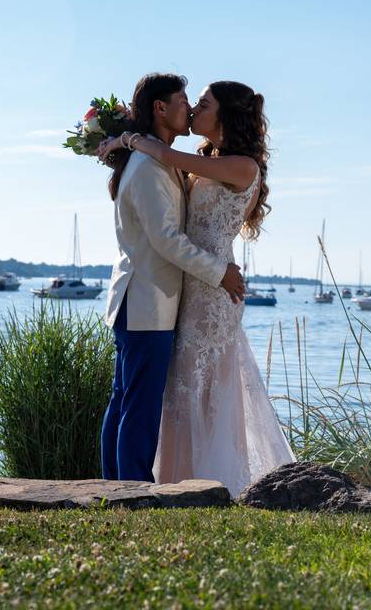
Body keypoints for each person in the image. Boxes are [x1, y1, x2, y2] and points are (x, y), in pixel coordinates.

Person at [99, 80, 296, 497]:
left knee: (203, 393)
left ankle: (205, 482)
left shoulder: (238, 165)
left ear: (223, 114)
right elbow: (166, 227)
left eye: (201, 104)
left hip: (207, 294)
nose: (192, 110)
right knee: (159, 400)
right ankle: (144, 488)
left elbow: (167, 156)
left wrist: (127, 137)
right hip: (182, 290)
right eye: (189, 102)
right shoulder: (192, 160)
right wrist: (125, 139)